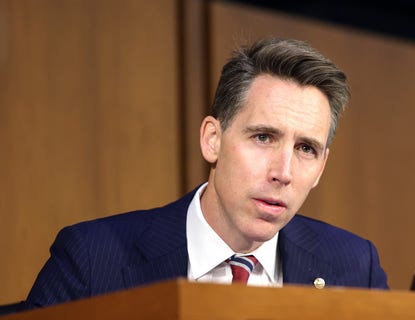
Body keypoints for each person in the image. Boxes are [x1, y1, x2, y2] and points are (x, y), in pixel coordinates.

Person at [23, 37, 388, 309]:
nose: (284, 172)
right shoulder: (91, 259)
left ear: (321, 166)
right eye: (263, 137)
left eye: (305, 149)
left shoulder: (355, 266)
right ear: (212, 139)